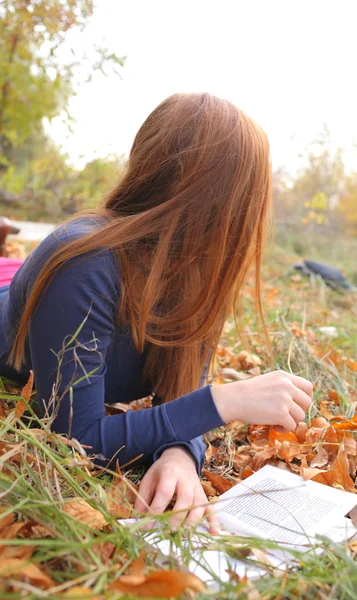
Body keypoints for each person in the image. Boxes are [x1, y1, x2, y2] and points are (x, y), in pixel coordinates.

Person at [0, 93, 312, 530]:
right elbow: (75, 438)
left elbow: (180, 396)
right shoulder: (85, 263)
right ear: (219, 201)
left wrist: (180, 453)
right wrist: (224, 401)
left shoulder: (199, 275)